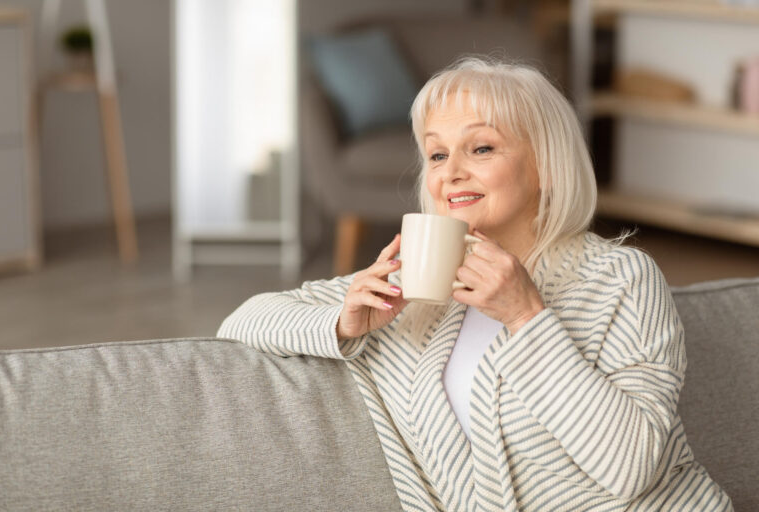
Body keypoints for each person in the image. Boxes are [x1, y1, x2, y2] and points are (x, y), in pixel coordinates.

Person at [218, 57, 733, 511]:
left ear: (545, 167)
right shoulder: (417, 286)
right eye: (438, 155)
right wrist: (344, 320)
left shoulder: (621, 280)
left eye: (481, 148)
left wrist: (526, 318)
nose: (451, 173)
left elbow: (630, 467)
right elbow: (242, 319)